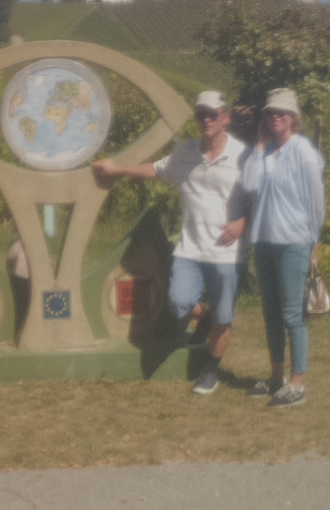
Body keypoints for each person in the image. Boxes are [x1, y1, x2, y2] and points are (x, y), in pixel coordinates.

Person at [93, 89, 246, 395]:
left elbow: (260, 195)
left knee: (224, 315)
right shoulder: (185, 153)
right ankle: (204, 318)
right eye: (200, 115)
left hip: (226, 253)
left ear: (225, 118)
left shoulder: (243, 156)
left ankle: (210, 370)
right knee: (179, 303)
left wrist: (244, 222)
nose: (206, 120)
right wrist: (119, 170)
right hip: (190, 249)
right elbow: (157, 170)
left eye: (212, 114)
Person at [238, 87, 325, 410]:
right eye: (271, 113)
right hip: (264, 240)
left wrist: (313, 239)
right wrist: (259, 146)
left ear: (293, 117)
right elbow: (249, 184)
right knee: (271, 314)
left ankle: (297, 383)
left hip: (293, 242)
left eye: (282, 112)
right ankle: (276, 377)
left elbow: (316, 200)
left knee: (291, 315)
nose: (275, 117)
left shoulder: (303, 151)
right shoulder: (264, 152)